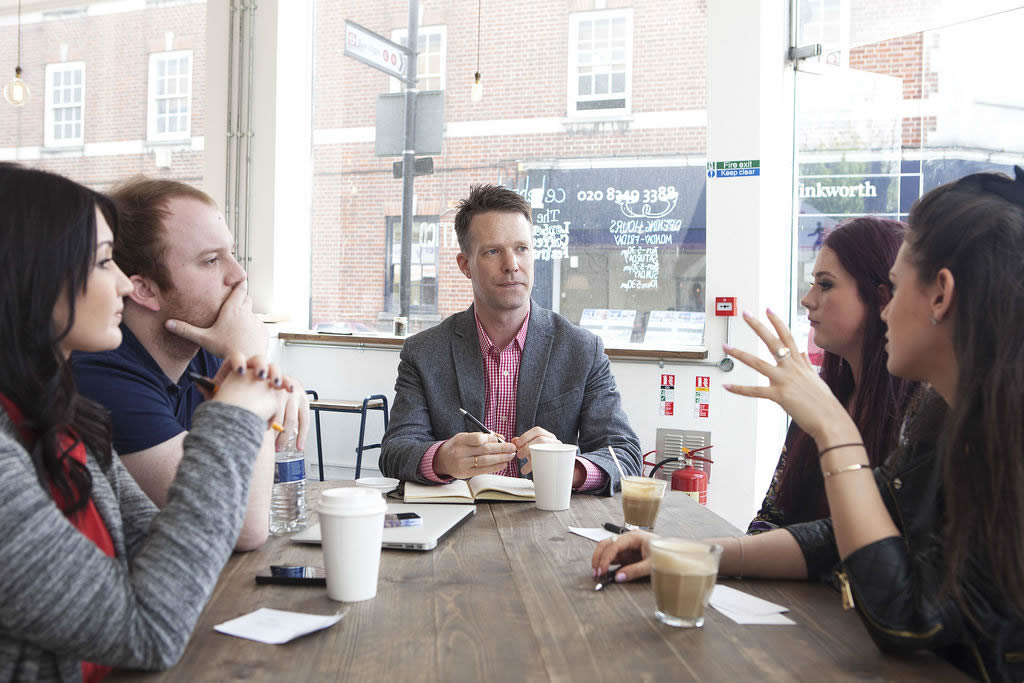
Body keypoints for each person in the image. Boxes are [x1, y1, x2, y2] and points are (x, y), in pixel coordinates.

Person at [592, 167, 1024, 681]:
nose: (887, 310)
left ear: (940, 295)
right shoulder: (942, 419)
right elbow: (829, 536)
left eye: (895, 285)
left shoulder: (999, 444)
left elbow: (908, 621)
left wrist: (835, 432)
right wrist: (690, 551)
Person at [0, 163, 295, 679]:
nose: (121, 282)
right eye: (101, 262)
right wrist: (242, 404)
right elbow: (149, 628)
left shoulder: (69, 422)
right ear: (28, 280)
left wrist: (247, 400)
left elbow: (165, 562)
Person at [71, 176, 308, 550]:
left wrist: (264, 387)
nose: (239, 274)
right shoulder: (100, 374)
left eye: (232, 253)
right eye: (211, 260)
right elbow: (245, 528)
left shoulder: (208, 352)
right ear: (144, 289)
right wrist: (254, 369)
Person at [379, 184, 641, 494]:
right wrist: (441, 459)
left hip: (546, 522)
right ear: (465, 265)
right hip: (455, 521)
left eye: (521, 248)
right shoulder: (423, 352)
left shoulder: (582, 350)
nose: (511, 265)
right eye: (493, 251)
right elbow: (395, 451)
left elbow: (624, 454)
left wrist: (566, 467)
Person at [748, 217, 918, 533]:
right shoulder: (823, 396)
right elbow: (771, 517)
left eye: (825, 284)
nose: (807, 299)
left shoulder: (920, 413)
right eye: (813, 282)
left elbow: (879, 545)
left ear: (881, 296)